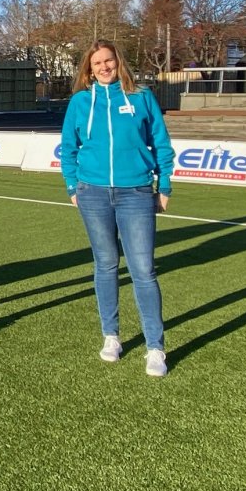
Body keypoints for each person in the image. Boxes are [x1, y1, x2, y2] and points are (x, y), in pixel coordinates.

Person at [59, 40, 174, 377]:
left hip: (136, 192)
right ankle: (112, 336)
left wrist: (163, 186)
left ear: (118, 62)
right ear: (89, 70)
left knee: (143, 270)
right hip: (92, 193)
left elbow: (161, 142)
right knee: (106, 265)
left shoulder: (141, 96)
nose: (104, 67)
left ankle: (155, 347)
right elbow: (69, 147)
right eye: (97, 63)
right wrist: (71, 186)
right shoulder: (81, 101)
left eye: (108, 60)